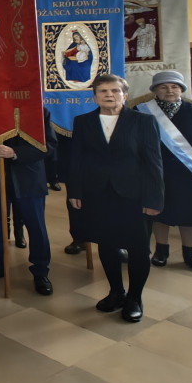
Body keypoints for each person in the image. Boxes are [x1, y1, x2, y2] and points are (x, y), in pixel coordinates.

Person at [68, 74, 162, 322]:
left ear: (125, 95)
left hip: (134, 196)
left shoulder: (144, 121)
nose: (109, 95)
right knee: (107, 244)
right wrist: (75, 191)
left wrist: (154, 199)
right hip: (97, 195)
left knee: (138, 249)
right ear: (95, 96)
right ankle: (116, 292)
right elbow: (76, 160)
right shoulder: (83, 122)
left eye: (114, 91)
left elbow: (154, 163)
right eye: (103, 91)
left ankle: (135, 298)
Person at [138, 71, 192, 273]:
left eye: (175, 87)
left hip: (190, 176)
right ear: (155, 90)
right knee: (159, 213)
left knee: (191, 215)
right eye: (163, 87)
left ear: (182, 90)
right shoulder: (142, 112)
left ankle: (190, 253)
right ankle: (161, 250)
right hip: (156, 175)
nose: (170, 91)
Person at [0, 109, 57, 295]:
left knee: (36, 227)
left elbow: (49, 145)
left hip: (29, 179)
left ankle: (41, 271)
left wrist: (15, 153)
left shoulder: (38, 110)